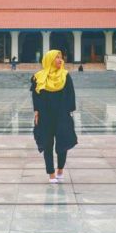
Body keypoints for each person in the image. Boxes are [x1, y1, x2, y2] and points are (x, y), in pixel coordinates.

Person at [32, 49, 78, 184]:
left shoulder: (65, 75)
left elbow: (71, 94)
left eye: (61, 57)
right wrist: (36, 112)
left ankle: (60, 170)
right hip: (45, 116)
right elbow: (35, 95)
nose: (60, 60)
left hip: (62, 115)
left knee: (62, 143)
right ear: (50, 59)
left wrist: (70, 111)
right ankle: (51, 173)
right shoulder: (39, 77)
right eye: (57, 57)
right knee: (47, 144)